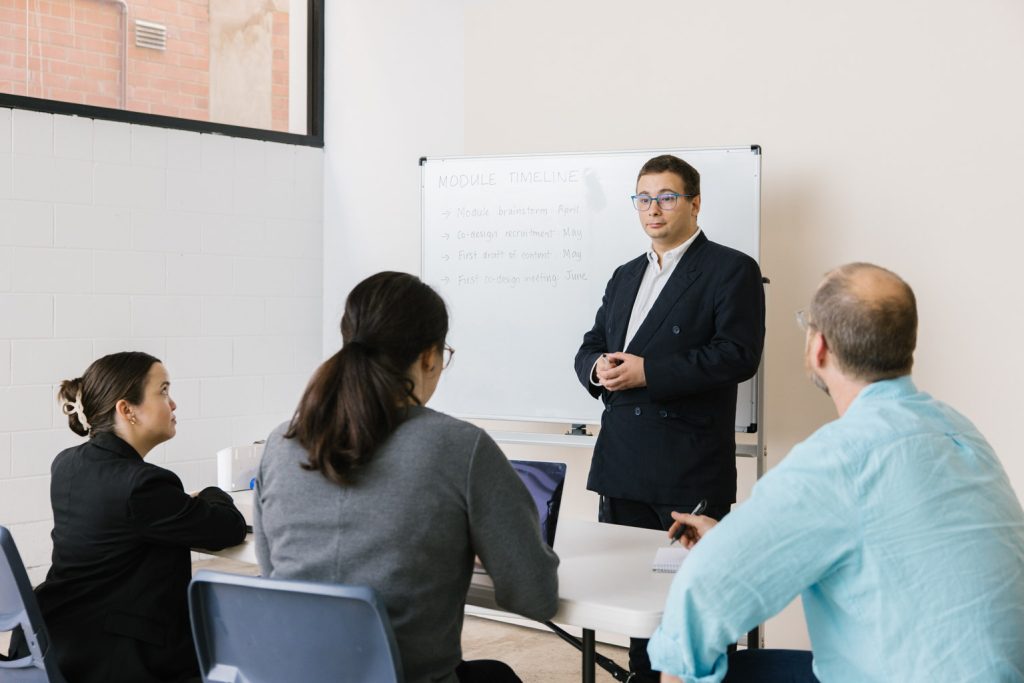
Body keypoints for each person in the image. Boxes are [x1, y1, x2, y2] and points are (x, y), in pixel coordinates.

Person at [649, 263, 1024, 683]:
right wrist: (732, 541)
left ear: (819, 347)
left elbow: (703, 591)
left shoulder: (839, 458)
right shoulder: (957, 429)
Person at [254, 271, 559, 683]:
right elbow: (534, 596)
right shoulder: (459, 446)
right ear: (430, 356)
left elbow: (274, 574)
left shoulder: (281, 442)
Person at [574, 154, 765, 679]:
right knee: (634, 612)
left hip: (688, 469)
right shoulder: (625, 274)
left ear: (694, 203)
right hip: (622, 465)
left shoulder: (730, 269)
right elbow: (591, 344)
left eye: (666, 197)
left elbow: (737, 355)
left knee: (700, 608)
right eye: (643, 198)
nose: (652, 209)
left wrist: (648, 373)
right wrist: (599, 370)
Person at [28, 352, 247, 683]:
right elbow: (227, 529)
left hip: (62, 640)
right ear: (126, 410)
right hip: (121, 659)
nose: (172, 404)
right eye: (163, 391)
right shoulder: (143, 485)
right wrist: (211, 492)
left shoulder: (68, 464)